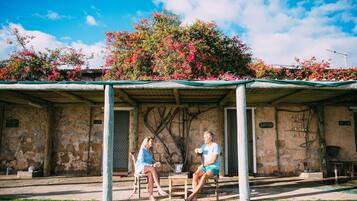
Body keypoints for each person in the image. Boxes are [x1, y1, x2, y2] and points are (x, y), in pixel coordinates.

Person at [188, 131, 220, 201]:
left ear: (210, 138)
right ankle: (195, 199)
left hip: (213, 167)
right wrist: (196, 151)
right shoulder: (203, 146)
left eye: (205, 137)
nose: (204, 139)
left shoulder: (215, 146)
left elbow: (213, 161)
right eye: (204, 137)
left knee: (204, 176)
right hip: (205, 167)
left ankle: (192, 195)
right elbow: (199, 153)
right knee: (195, 175)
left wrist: (202, 165)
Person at [135, 136, 168, 201]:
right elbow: (141, 162)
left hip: (148, 168)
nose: (152, 143)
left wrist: (156, 163)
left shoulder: (149, 151)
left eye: (152, 141)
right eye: (151, 141)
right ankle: (159, 188)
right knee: (152, 169)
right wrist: (152, 165)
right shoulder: (142, 150)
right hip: (140, 167)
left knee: (151, 174)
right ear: (146, 142)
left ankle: (151, 195)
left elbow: (150, 160)